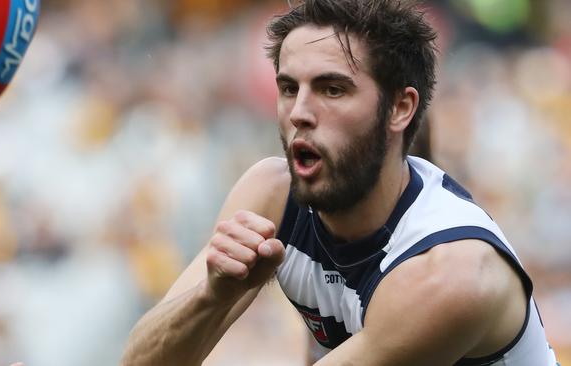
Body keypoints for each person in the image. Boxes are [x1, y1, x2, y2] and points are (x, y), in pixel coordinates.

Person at [120, 0, 559, 365]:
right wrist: (210, 298)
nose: (299, 113)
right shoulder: (271, 195)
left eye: (332, 89)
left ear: (400, 109)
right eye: (289, 88)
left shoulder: (449, 274)